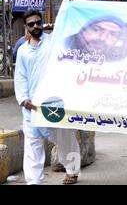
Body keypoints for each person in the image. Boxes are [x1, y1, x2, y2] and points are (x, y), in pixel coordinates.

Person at [14, 10, 81, 185]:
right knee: (33, 144)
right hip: (31, 106)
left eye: (38, 22)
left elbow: (68, 36)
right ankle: (34, 181)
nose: (36, 26)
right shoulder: (22, 51)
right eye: (31, 24)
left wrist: (69, 11)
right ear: (25, 27)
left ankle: (72, 171)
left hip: (53, 104)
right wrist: (23, 99)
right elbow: (20, 76)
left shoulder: (53, 43)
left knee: (65, 138)